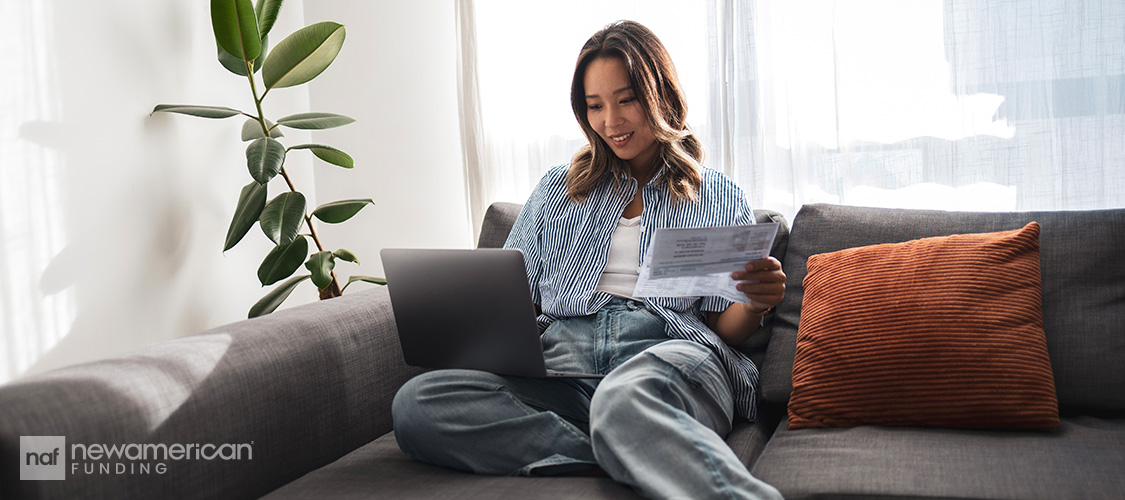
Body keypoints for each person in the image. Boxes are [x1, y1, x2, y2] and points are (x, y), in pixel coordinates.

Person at [392, 20, 785, 500]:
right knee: (419, 404)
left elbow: (725, 328)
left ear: (659, 94)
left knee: (625, 402)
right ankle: (628, 451)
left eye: (626, 100)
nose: (610, 122)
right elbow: (512, 297)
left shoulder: (716, 193)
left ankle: (633, 436)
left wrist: (755, 303)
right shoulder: (557, 188)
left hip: (667, 356)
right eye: (595, 106)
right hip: (564, 366)